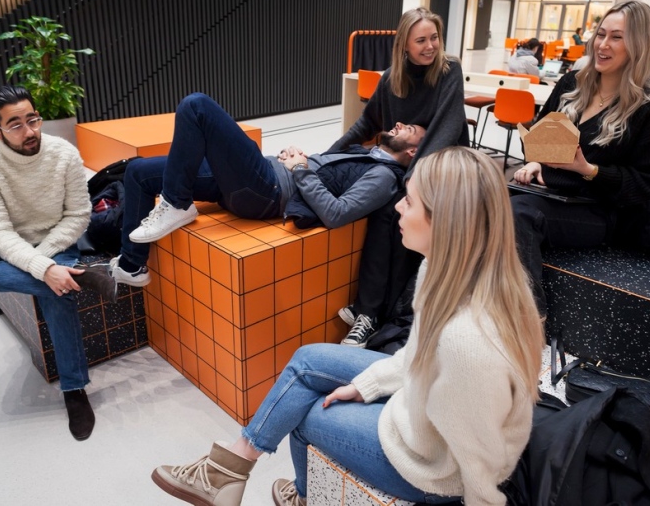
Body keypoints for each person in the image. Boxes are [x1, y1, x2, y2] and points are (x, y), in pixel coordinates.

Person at [149, 147, 545, 506]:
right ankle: (229, 470)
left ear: (444, 221)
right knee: (307, 361)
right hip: (422, 412)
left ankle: (303, 497)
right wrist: (368, 386)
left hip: (438, 472)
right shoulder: (446, 269)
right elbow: (419, 354)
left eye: (409, 201)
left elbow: (480, 457)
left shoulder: (469, 339)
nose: (397, 210)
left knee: (303, 416)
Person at [108, 93, 424, 286]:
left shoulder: (384, 177)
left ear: (412, 153)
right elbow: (322, 171)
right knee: (137, 170)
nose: (397, 125)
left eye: (407, 129)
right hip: (261, 174)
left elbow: (337, 213)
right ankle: (133, 266)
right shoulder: (365, 153)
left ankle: (176, 203)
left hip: (266, 191)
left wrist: (299, 168)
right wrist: (294, 158)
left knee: (197, 106)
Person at [0, 85, 116, 441]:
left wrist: (47, 259)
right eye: (15, 125)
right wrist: (44, 270)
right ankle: (82, 278)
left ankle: (74, 390)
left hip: (57, 240)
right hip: (10, 245)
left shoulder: (63, 153)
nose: (29, 131)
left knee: (57, 294)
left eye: (33, 119)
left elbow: (78, 214)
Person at [511, 0, 650, 315]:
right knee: (482, 198)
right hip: (553, 192)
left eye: (616, 37)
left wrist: (587, 169)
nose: (603, 44)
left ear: (638, 45)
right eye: (601, 34)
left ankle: (530, 317)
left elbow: (645, 185)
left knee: (518, 215)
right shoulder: (573, 83)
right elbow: (536, 136)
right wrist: (535, 160)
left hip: (601, 210)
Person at [327, 7, 470, 348]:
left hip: (443, 164)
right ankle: (371, 313)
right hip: (407, 168)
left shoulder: (449, 71)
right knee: (384, 210)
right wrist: (329, 154)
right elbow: (367, 123)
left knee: (402, 211)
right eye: (421, 40)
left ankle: (374, 312)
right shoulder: (393, 78)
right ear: (404, 44)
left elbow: (446, 130)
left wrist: (414, 182)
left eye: (434, 37)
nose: (430, 46)